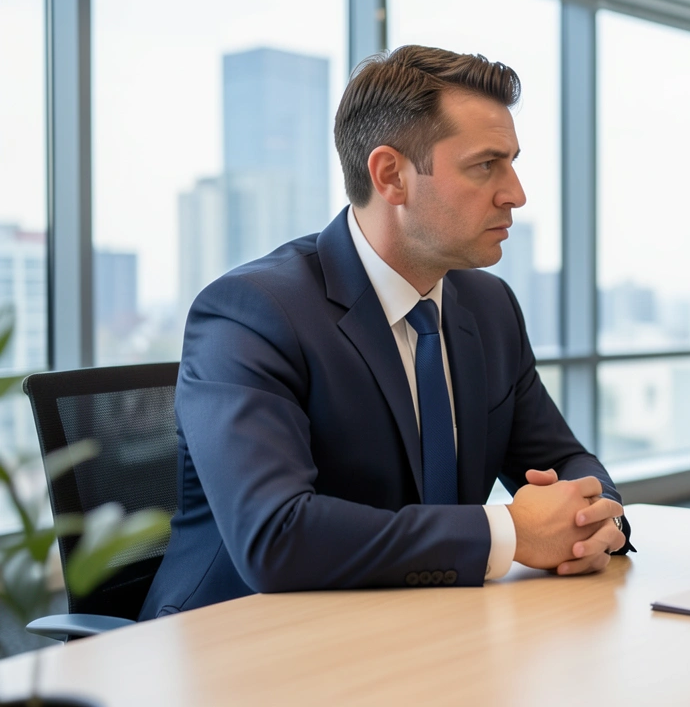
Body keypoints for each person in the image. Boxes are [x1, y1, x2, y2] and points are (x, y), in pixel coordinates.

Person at [142, 46, 631, 619]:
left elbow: (565, 459)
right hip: (243, 646)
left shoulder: (489, 305)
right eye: (485, 165)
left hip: (419, 628)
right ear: (391, 176)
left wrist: (594, 517)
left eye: (513, 162)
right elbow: (275, 536)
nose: (515, 193)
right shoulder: (253, 313)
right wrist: (509, 534)